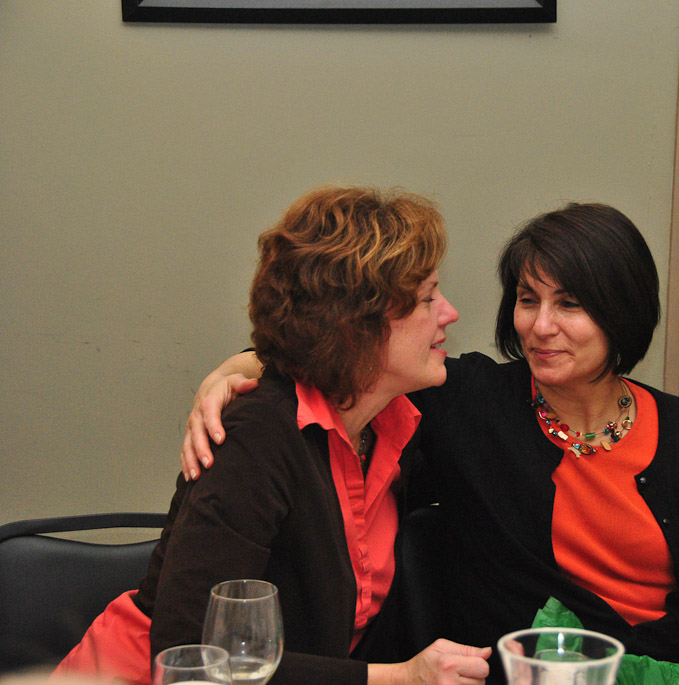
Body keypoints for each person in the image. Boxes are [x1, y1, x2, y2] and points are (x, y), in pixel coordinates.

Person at [181, 202, 679, 676]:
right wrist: (231, 372)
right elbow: (337, 353)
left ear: (623, 311)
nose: (540, 326)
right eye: (527, 300)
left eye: (569, 305)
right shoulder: (467, 402)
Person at [55, 186, 491, 685]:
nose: (449, 313)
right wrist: (401, 678)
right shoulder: (259, 434)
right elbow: (193, 649)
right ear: (357, 327)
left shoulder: (393, 422)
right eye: (427, 299)